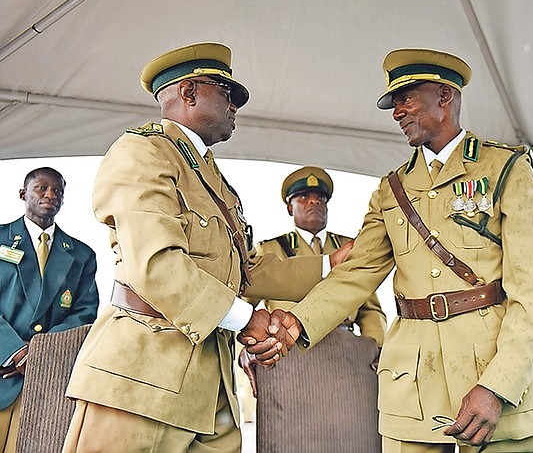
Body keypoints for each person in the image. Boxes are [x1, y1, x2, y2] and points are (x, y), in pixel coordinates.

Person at [241, 48, 533, 452]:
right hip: (412, 386)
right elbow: (356, 274)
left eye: (406, 98)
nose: (396, 112)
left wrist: (499, 385)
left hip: (493, 373)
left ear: (444, 96)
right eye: (393, 103)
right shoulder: (392, 191)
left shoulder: (505, 169)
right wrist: (297, 324)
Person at [62, 42, 334, 453]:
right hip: (143, 380)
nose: (235, 105)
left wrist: (333, 264)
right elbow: (155, 265)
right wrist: (247, 320)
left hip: (211, 388)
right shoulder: (143, 151)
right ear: (189, 93)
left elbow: (246, 270)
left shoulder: (211, 178)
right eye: (227, 93)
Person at [241, 166, 386, 452]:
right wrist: (245, 350)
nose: (314, 202)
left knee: (353, 439)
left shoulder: (350, 248)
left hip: (346, 359)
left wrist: (377, 347)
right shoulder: (271, 250)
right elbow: (246, 306)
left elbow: (370, 309)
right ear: (289, 207)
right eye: (304, 197)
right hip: (288, 358)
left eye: (320, 198)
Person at [0, 167, 99, 453]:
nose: (50, 195)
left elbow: (85, 312)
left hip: (44, 378)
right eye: (41, 188)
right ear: (23, 194)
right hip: (4, 368)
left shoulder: (81, 254)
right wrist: (15, 351)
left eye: (57, 191)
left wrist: (40, 352)